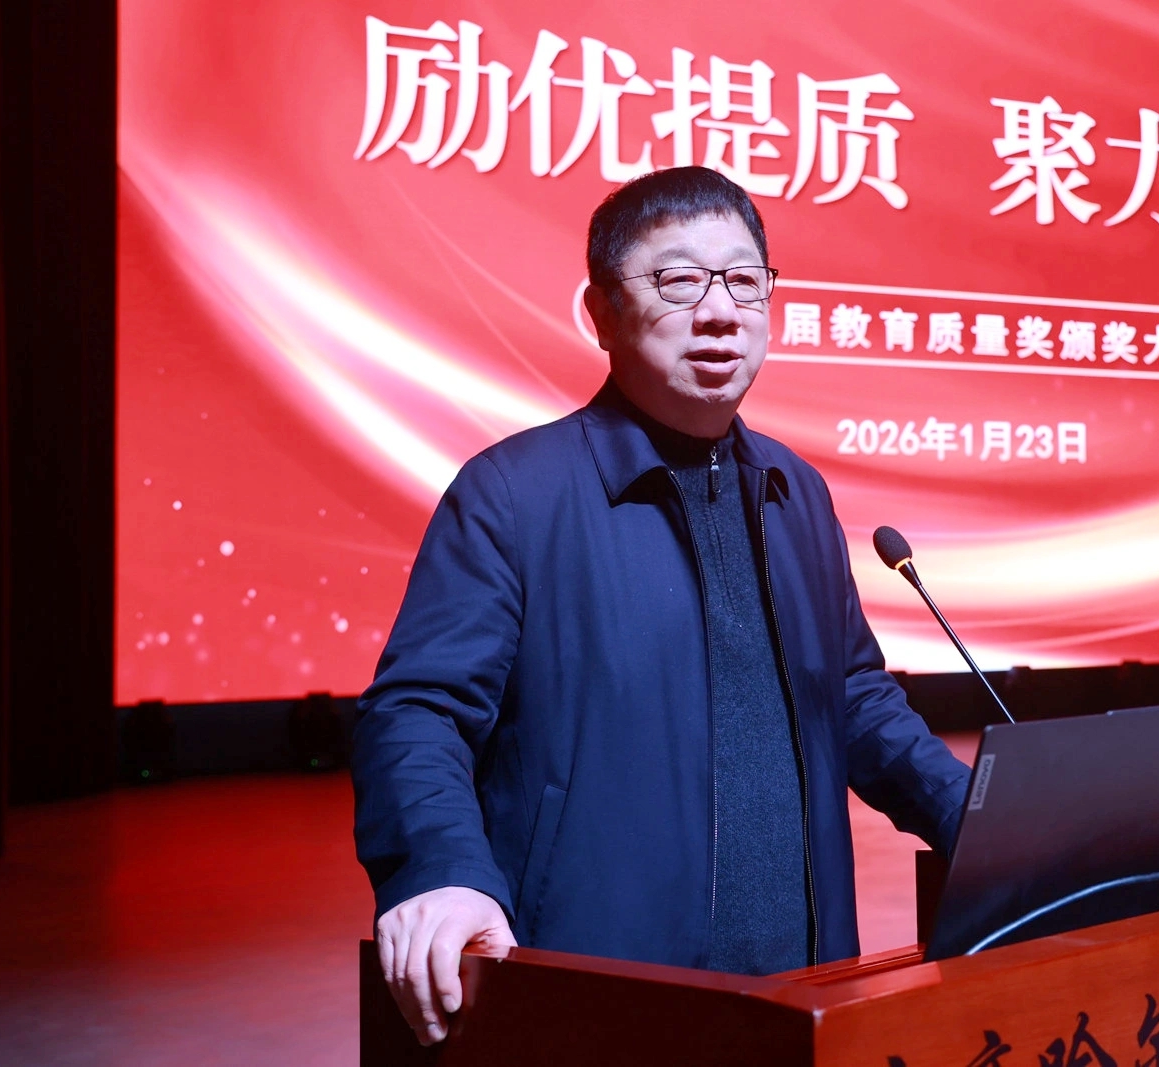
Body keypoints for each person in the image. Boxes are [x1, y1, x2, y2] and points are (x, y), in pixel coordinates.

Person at [351, 166, 971, 1046]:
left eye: (745, 281)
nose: (720, 312)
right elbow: (419, 710)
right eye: (679, 279)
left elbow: (854, 698)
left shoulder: (796, 490)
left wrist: (980, 817)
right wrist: (439, 868)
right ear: (602, 313)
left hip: (805, 990)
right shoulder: (514, 493)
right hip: (606, 987)